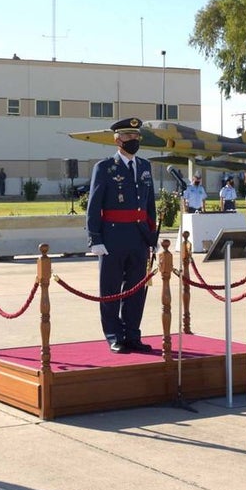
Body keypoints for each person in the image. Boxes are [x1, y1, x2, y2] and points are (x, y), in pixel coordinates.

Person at [85, 117, 158, 354]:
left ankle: (132, 335)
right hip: (113, 236)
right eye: (128, 136)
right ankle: (114, 336)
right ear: (117, 140)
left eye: (136, 136)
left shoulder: (145, 166)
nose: (133, 140)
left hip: (138, 238)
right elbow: (94, 205)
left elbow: (149, 205)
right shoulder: (105, 168)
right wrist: (95, 238)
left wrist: (151, 238)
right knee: (111, 290)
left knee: (136, 290)